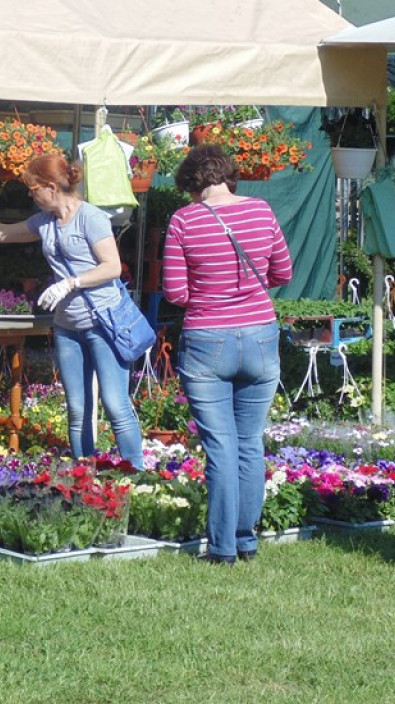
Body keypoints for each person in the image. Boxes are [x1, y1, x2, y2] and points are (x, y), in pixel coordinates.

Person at [0, 154, 143, 467]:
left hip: (102, 322)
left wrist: (71, 283)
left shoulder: (91, 218)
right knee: (77, 408)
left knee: (115, 404)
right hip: (67, 327)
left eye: (33, 188)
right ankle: (84, 475)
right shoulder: (45, 221)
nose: (30, 194)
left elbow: (112, 267)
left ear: (51, 187)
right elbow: (1, 232)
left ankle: (136, 474)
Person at [163, 143, 293, 565]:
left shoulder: (184, 220)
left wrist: (210, 296)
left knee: (220, 446)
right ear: (228, 175)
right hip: (260, 336)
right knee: (249, 442)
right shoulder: (262, 211)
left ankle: (221, 548)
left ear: (191, 182)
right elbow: (283, 272)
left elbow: (175, 292)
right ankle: (245, 540)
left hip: (207, 340)